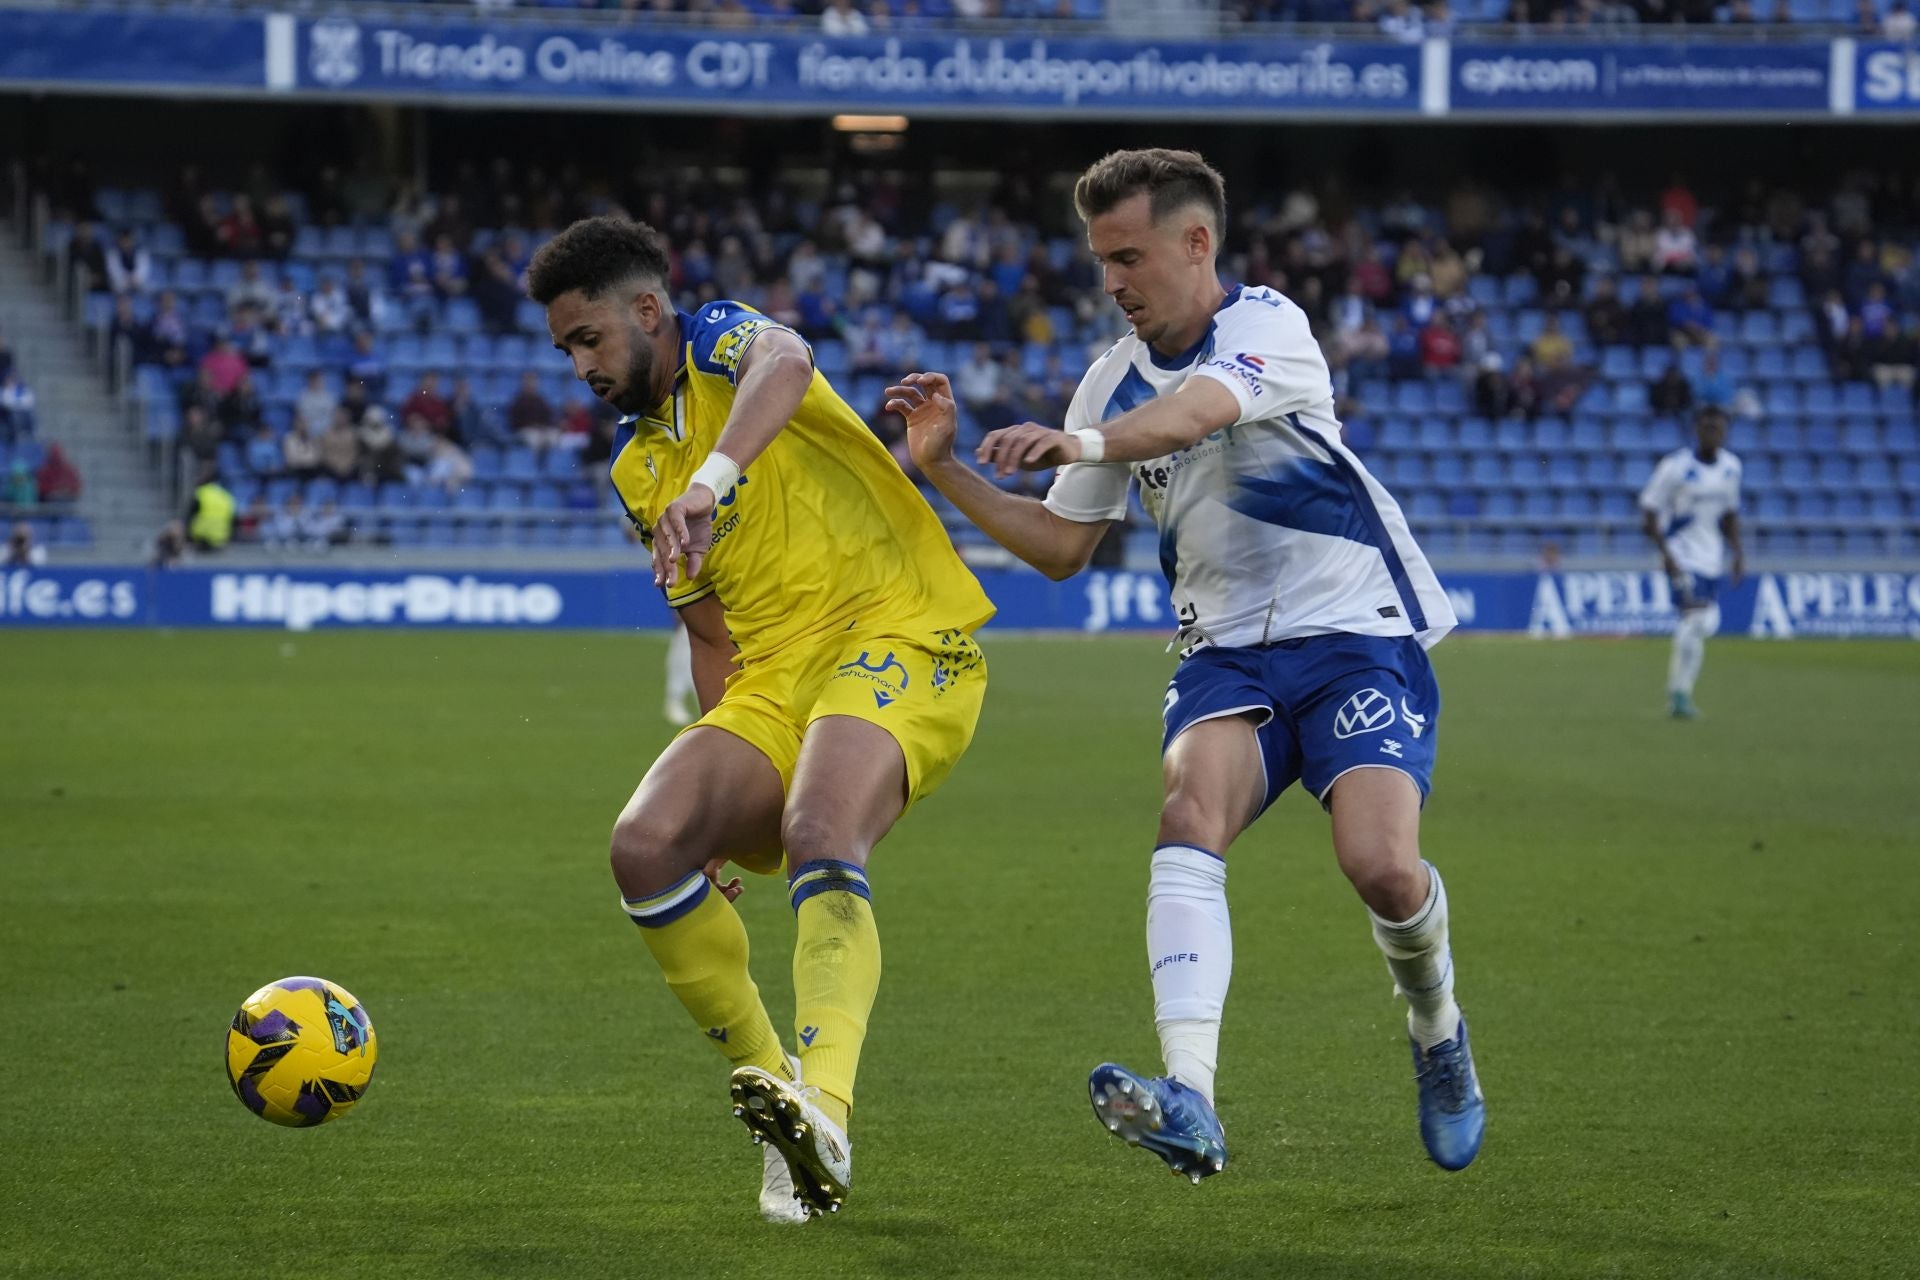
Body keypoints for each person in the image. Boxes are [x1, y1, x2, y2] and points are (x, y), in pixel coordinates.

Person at [890, 148, 1483, 1181]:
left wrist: (1082, 447)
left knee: (1382, 865)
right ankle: (1193, 1096)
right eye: (1100, 261)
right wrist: (942, 468)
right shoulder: (1107, 382)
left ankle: (1437, 1028)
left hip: (1352, 636)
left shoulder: (1269, 328)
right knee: (1187, 814)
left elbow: (1202, 410)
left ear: (1195, 242)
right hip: (1224, 655)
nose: (1112, 282)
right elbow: (1064, 549)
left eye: (1129, 256)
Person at [527, 216, 995, 1222]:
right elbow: (707, 634)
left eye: (588, 338)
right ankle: (776, 1091)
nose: (577, 364)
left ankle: (825, 1107)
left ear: (646, 310)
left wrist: (710, 481)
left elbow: (790, 358)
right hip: (775, 679)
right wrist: (719, 774)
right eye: (564, 347)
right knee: (647, 845)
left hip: (900, 631)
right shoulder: (633, 471)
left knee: (822, 830)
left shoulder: (722, 343)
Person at [1639, 406, 1743, 720]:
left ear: (1725, 432)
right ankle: (1681, 695)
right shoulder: (1675, 467)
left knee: (1701, 624)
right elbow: (1649, 512)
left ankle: (1679, 694)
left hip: (1712, 558)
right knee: (1696, 619)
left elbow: (1729, 514)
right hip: (1682, 555)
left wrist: (1738, 552)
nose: (1713, 432)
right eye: (1707, 427)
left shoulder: (1731, 468)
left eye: (1718, 427)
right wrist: (1666, 554)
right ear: (1696, 429)